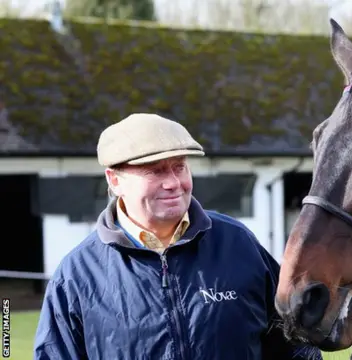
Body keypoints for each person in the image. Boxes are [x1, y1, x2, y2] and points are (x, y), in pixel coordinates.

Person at [33, 113, 322, 360]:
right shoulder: (77, 275)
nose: (173, 183)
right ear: (114, 180)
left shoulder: (238, 243)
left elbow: (295, 346)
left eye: (179, 167)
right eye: (154, 171)